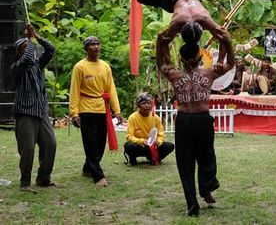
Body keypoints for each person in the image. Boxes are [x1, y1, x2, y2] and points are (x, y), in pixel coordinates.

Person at [158, 23, 234, 217]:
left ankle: (193, 202)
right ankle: (205, 190)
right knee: (206, 156)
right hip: (201, 119)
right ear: (200, 58)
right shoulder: (209, 73)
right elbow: (231, 64)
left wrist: (161, 41)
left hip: (184, 120)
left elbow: (162, 63)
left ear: (182, 58)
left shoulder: (175, 75)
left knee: (186, 162)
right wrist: (227, 41)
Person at [69, 36, 123, 187]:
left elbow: (111, 88)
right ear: (86, 48)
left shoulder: (105, 66)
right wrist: (74, 112)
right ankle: (98, 176)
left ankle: (88, 167)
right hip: (86, 109)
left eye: (98, 44)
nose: (96, 47)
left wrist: (116, 110)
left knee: (99, 143)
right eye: (92, 44)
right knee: (90, 143)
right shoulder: (80, 67)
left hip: (102, 109)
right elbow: (74, 90)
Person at [10, 24, 57, 193]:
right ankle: (25, 183)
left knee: (50, 144)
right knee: (27, 149)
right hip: (25, 114)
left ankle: (43, 178)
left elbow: (51, 49)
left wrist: (36, 37)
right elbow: (28, 56)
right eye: (24, 48)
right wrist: (29, 40)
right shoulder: (17, 68)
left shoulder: (38, 66)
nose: (30, 50)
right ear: (19, 53)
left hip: (41, 112)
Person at [124, 93, 174, 166]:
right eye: (143, 103)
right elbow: (129, 136)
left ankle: (152, 158)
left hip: (153, 146)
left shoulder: (156, 118)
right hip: (140, 146)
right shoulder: (132, 118)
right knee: (128, 146)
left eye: (148, 103)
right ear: (138, 106)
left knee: (170, 146)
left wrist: (159, 141)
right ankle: (132, 158)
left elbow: (161, 134)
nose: (147, 105)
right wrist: (141, 141)